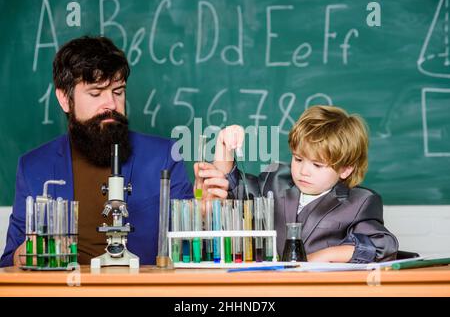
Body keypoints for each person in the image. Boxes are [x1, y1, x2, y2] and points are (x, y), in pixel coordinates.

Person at [0, 36, 193, 267]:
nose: (111, 104)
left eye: (118, 91)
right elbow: (7, 264)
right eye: (95, 93)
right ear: (64, 98)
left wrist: (200, 212)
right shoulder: (33, 167)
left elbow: (188, 249)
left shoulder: (164, 157)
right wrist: (28, 252)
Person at [195, 105, 398, 263]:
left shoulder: (359, 202)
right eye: (298, 159)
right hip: (267, 288)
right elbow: (228, 187)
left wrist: (322, 256)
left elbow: (382, 246)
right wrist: (223, 144)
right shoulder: (275, 181)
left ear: (345, 169)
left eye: (317, 165)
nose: (303, 171)